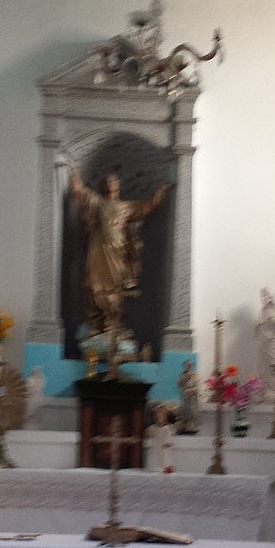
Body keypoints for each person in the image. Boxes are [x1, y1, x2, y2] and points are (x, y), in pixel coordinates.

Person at [69, 169, 170, 333]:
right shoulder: (97, 202)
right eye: (107, 181)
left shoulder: (126, 207)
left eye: (113, 181)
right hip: (97, 251)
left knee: (115, 288)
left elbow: (146, 206)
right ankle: (96, 323)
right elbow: (81, 192)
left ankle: (113, 323)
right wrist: (72, 172)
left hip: (117, 253)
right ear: (103, 186)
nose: (110, 184)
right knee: (94, 286)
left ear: (118, 186)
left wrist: (159, 194)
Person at [177, 360, 200, 434]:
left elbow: (197, 385)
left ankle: (192, 427)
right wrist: (184, 379)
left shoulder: (195, 375)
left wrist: (192, 390)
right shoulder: (182, 375)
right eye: (186, 365)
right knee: (185, 411)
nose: (188, 367)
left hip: (192, 397)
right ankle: (185, 427)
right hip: (185, 396)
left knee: (192, 411)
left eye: (189, 365)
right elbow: (179, 384)